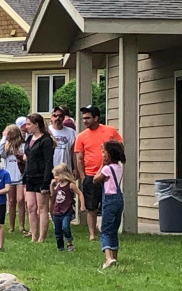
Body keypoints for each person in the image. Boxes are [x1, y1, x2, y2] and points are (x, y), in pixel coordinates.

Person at [74, 104, 123, 241]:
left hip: (108, 175)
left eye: (88, 118)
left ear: (96, 118)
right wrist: (83, 176)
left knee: (108, 203)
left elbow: (120, 146)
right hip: (90, 174)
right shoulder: (81, 136)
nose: (85, 121)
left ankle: (109, 230)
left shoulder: (110, 131)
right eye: (83, 118)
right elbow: (79, 157)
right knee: (91, 206)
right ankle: (92, 234)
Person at [23, 113, 55, 243]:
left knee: (42, 208)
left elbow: (49, 162)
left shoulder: (46, 140)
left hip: (41, 176)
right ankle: (33, 236)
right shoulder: (29, 139)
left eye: (29, 124)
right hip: (30, 176)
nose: (27, 126)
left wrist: (46, 182)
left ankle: (41, 237)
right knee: (30, 206)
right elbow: (28, 158)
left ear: (37, 125)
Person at [93, 140, 126, 269]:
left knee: (105, 230)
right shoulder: (119, 168)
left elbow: (96, 179)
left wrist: (102, 164)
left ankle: (108, 258)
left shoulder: (107, 168)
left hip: (109, 200)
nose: (102, 154)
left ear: (109, 154)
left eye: (104, 152)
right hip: (119, 200)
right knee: (114, 230)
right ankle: (115, 257)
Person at [0, 124, 26, 234]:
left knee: (20, 200)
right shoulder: (6, 146)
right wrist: (4, 138)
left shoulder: (22, 145)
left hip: (21, 177)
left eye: (7, 133)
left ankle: (22, 226)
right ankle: (11, 227)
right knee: (11, 202)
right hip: (10, 177)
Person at [50, 163, 85, 252]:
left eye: (57, 175)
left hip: (67, 211)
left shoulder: (70, 185)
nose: (55, 178)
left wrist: (82, 205)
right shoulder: (57, 185)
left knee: (65, 226)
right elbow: (52, 194)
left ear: (63, 174)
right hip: (57, 211)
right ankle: (60, 247)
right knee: (57, 230)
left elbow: (80, 194)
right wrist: (51, 185)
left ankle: (69, 242)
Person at [50, 106, 78, 177]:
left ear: (63, 118)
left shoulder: (72, 132)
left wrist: (75, 169)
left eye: (60, 116)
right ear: (51, 117)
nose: (57, 118)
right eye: (55, 115)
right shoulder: (46, 132)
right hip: (50, 170)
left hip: (66, 170)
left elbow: (74, 152)